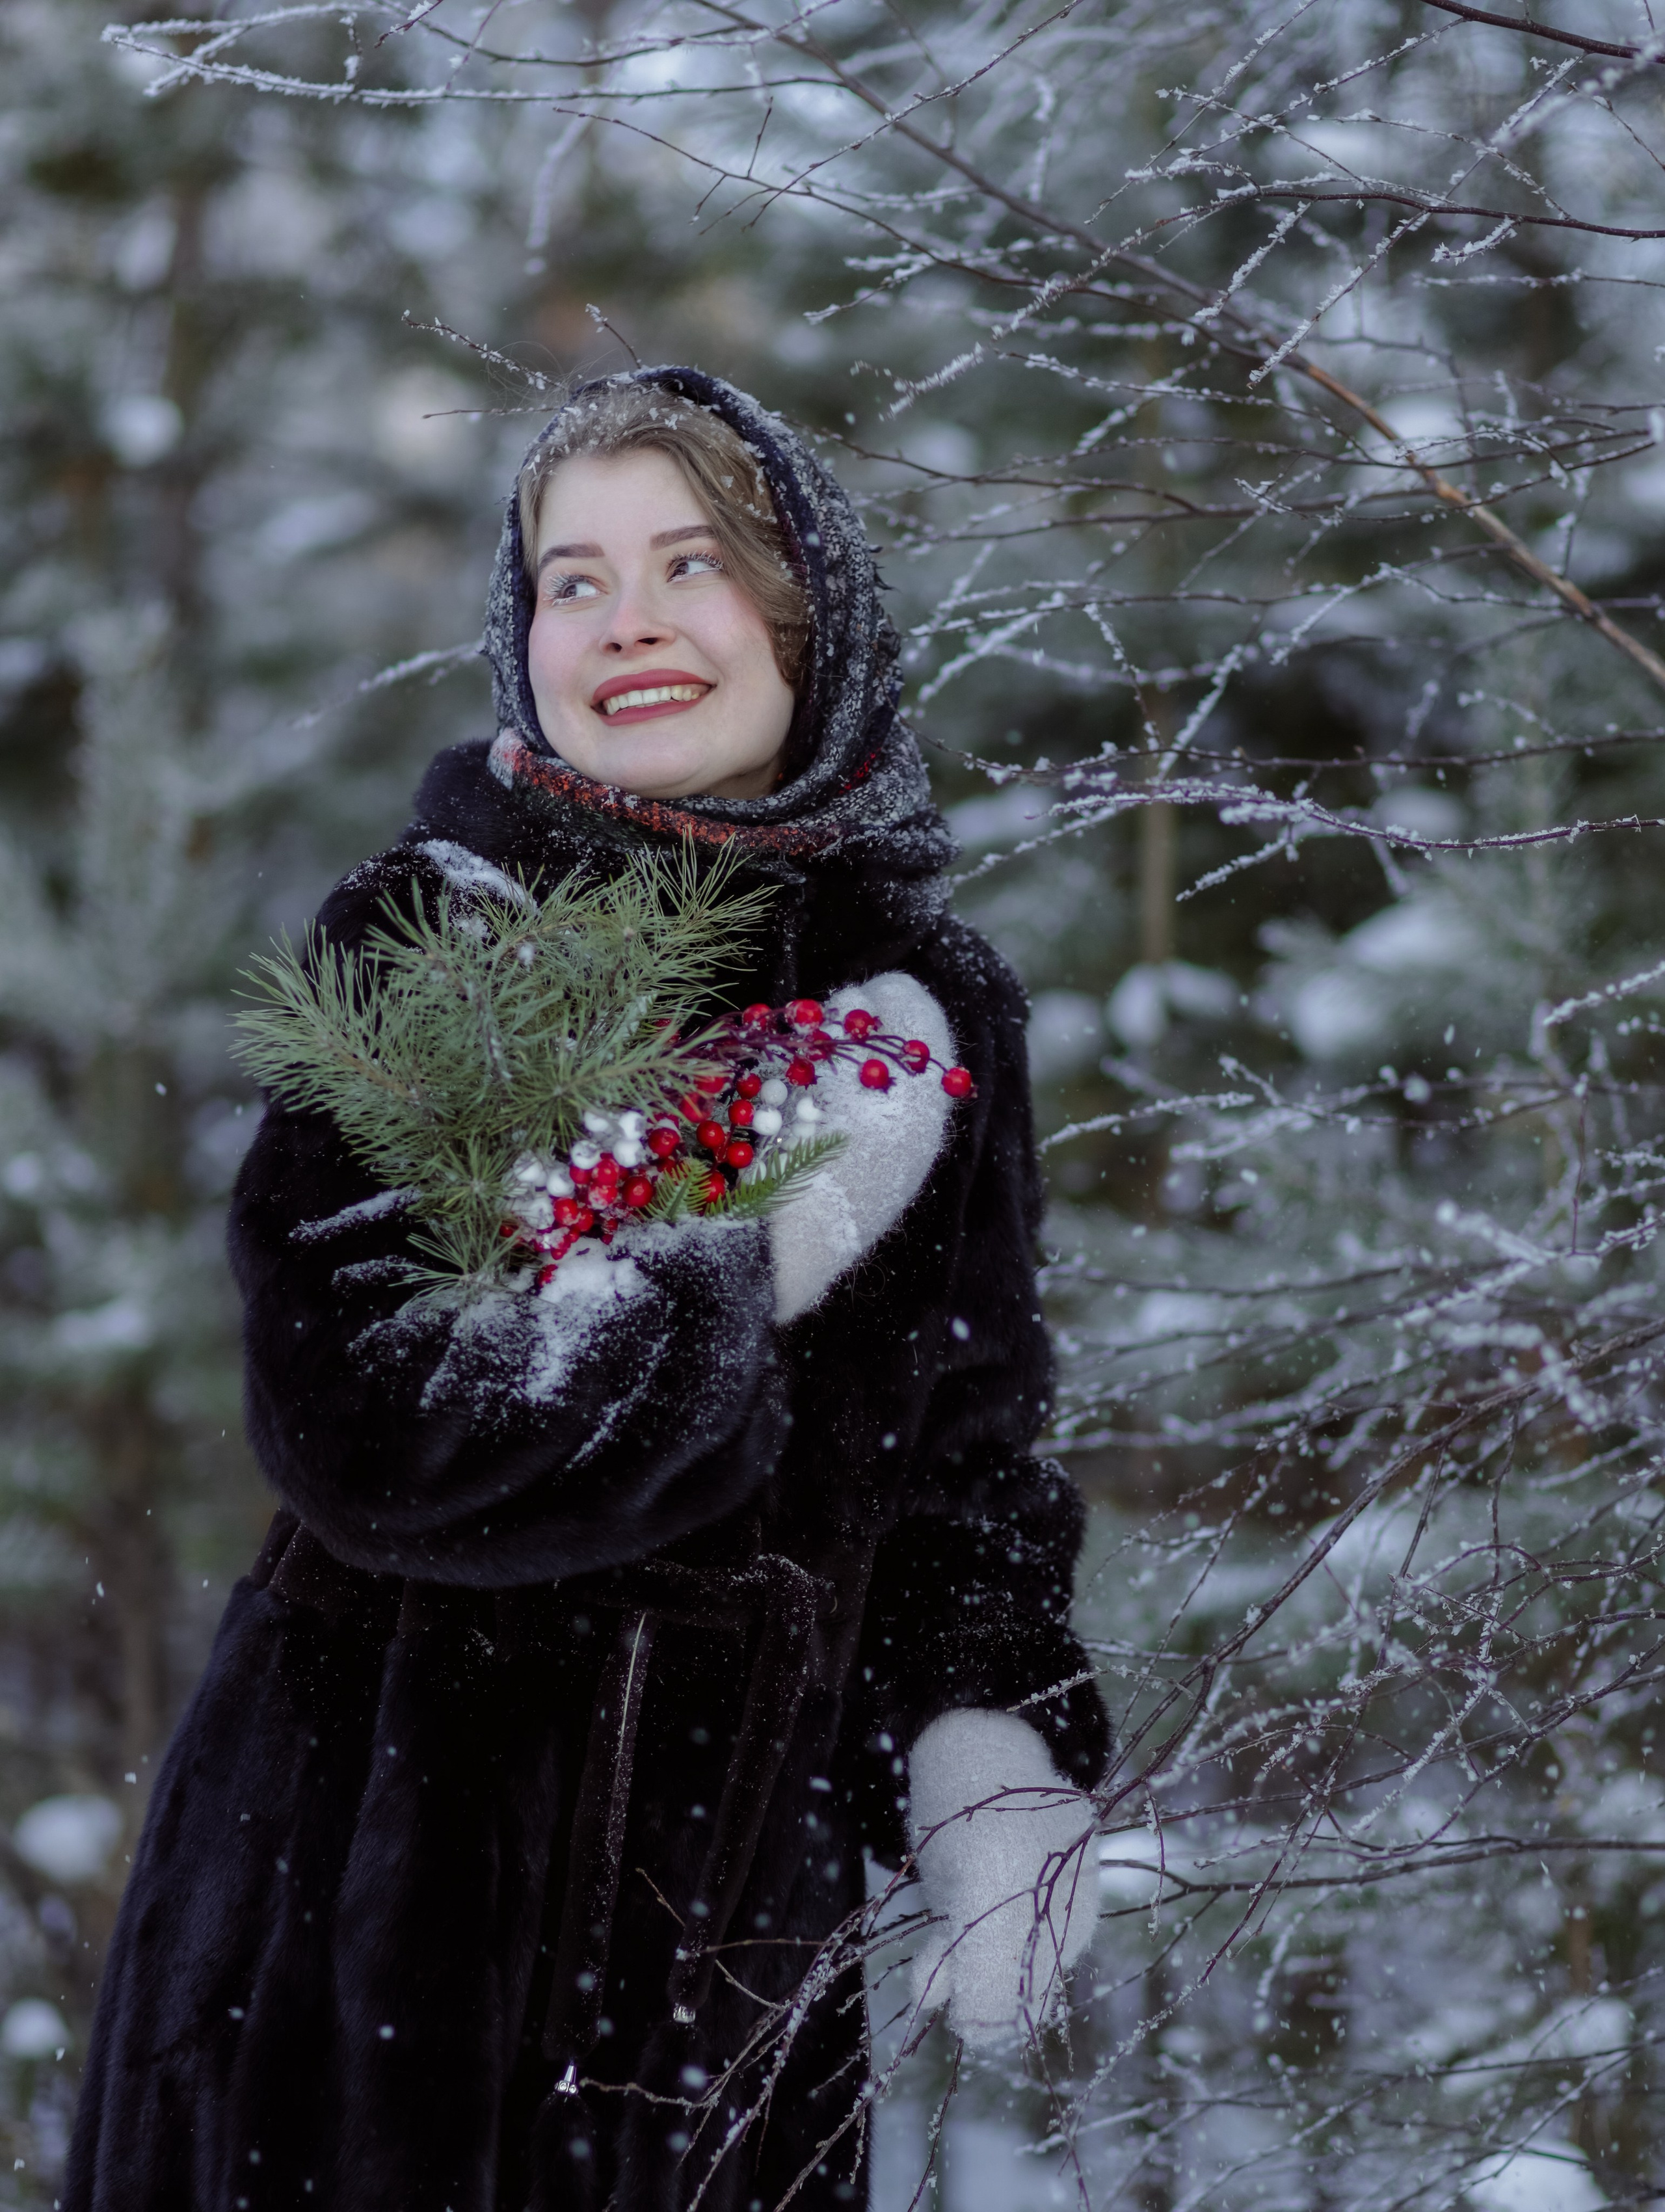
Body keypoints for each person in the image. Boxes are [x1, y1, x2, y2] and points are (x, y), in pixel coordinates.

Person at [64, 368, 1111, 2212]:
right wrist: (747, 1236)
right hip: (356, 1900)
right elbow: (367, 1417)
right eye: (574, 576)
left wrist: (983, 1746)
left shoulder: (930, 1003)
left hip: (715, 1943)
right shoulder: (431, 932)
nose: (627, 620)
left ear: (808, 614)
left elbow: (962, 1460)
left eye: (693, 561)